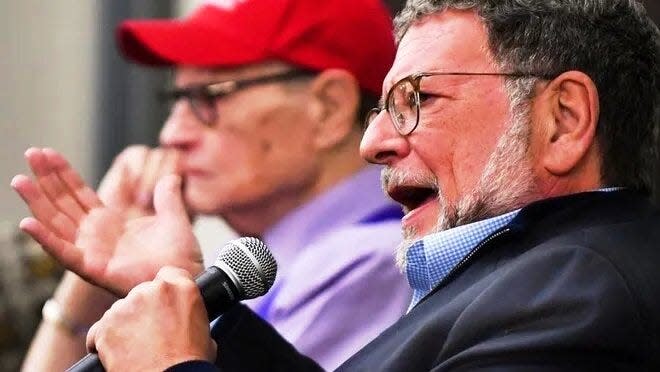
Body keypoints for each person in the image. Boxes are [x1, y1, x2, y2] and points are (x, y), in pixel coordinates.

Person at [14, 0, 660, 370]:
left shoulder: (579, 296)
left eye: (416, 99)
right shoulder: (541, 279)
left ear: (564, 119)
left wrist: (175, 368)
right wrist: (194, 304)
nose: (372, 142)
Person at [11, 0, 411, 370]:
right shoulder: (296, 261)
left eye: (207, 97)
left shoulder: (366, 261)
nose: (171, 134)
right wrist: (87, 298)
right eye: (176, 100)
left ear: (330, 107)